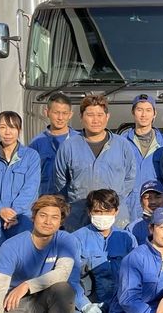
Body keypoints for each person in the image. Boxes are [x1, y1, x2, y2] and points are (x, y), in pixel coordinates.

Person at [54, 95, 137, 231]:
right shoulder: (68, 147)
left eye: (100, 115)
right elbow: (60, 182)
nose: (95, 120)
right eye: (90, 115)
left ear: (107, 117)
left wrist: (111, 202)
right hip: (78, 219)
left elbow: (130, 179)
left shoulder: (123, 145)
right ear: (81, 117)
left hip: (114, 219)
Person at [67, 189, 137, 313]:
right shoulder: (76, 238)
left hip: (120, 303)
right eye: (98, 211)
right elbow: (70, 277)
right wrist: (84, 304)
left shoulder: (127, 238)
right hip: (91, 303)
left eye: (107, 211)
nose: (102, 216)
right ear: (89, 212)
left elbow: (136, 273)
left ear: (116, 211)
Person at [0, 111, 41, 276]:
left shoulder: (31, 156)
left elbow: (31, 188)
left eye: (12, 127)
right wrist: (0, 210)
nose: (7, 132)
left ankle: (19, 290)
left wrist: (14, 212)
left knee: (22, 256)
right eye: (3, 127)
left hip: (21, 217)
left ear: (19, 130)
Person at [124, 94, 163, 221]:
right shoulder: (121, 143)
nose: (144, 115)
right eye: (139, 110)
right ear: (133, 112)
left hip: (155, 207)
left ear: (155, 114)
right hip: (128, 207)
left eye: (148, 110)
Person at [28, 92, 78, 196]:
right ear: (47, 112)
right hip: (47, 199)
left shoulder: (80, 140)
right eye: (56, 113)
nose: (60, 117)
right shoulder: (37, 143)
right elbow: (30, 177)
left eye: (64, 113)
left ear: (70, 115)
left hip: (74, 200)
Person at [127, 180, 163, 246]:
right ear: (141, 201)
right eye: (147, 198)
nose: (153, 202)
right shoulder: (132, 228)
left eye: (157, 197)